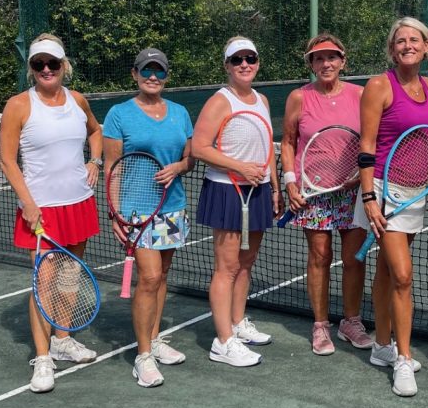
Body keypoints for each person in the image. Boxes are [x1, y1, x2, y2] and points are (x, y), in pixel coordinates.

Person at [0, 34, 102, 393]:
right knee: (43, 283)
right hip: (41, 209)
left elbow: (96, 132)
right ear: (31, 68)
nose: (46, 69)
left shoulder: (77, 101)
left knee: (70, 276)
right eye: (39, 64)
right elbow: (8, 160)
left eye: (53, 63)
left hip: (79, 202)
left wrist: (96, 160)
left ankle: (62, 338)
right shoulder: (18, 106)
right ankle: (43, 358)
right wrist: (28, 202)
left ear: (64, 66)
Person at [355, 17, 428, 397]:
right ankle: (403, 358)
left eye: (414, 40)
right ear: (393, 49)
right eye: (400, 41)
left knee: (388, 272)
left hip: (417, 193)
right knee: (404, 276)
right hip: (384, 193)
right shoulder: (377, 86)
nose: (407, 45)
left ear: (426, 46)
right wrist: (370, 198)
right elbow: (367, 146)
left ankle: (381, 346)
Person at [103, 48, 194, 387]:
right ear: (135, 74)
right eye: (146, 70)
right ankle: (143, 356)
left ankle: (155, 340)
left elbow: (190, 159)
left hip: (172, 207)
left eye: (159, 71)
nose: (153, 76)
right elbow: (112, 166)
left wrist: (180, 166)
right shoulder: (119, 114)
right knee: (150, 276)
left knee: (163, 274)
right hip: (136, 211)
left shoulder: (181, 113)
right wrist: (114, 211)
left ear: (166, 76)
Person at [192, 37, 282, 367]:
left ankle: (237, 322)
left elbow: (268, 146)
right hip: (227, 190)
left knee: (247, 261)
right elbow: (199, 148)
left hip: (257, 191)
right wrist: (239, 167)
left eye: (250, 58)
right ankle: (223, 341)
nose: (245, 64)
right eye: (237, 59)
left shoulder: (263, 100)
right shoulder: (220, 101)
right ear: (227, 65)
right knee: (227, 267)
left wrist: (275, 187)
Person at [281, 34, 372, 355]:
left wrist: (359, 174)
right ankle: (321, 326)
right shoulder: (298, 98)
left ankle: (351, 322)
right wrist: (290, 182)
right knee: (320, 258)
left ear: (343, 62)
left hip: (353, 190)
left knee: (353, 260)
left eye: (332, 57)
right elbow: (289, 141)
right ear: (311, 64)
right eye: (319, 59)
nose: (326, 64)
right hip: (313, 190)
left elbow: (370, 140)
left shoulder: (361, 95)